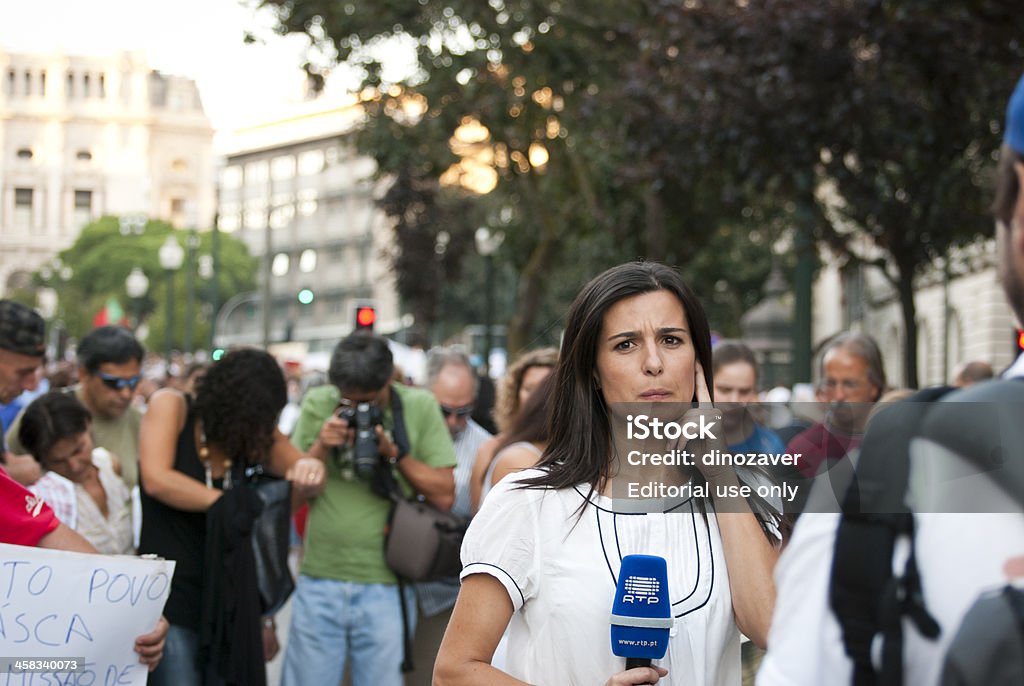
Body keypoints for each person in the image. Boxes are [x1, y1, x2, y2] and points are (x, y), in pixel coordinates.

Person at [756, 73, 1024, 686]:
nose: (838, 396)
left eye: (852, 384)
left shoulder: (873, 497)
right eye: (831, 383)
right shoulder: (825, 469)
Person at [434, 261, 782, 686]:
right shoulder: (527, 503)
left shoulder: (739, 501)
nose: (653, 362)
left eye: (671, 340)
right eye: (625, 345)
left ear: (696, 362)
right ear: (593, 371)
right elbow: (454, 672)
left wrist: (717, 467)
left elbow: (768, 626)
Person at [138, 348, 326, 686]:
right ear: (236, 408)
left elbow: (298, 469)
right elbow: (156, 479)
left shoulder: (250, 435)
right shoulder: (172, 406)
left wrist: (311, 465)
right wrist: (228, 504)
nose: (264, 430)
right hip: (172, 601)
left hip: (227, 602)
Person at [0, 298, 167, 670]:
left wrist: (134, 604)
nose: (31, 383)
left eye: (132, 382)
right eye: (23, 371)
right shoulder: (37, 471)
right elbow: (35, 521)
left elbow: (35, 523)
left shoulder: (136, 431)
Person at [282, 333, 456, 686]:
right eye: (348, 402)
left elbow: (444, 494)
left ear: (388, 380)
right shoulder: (318, 403)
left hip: (388, 585)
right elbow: (287, 501)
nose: (357, 409)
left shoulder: (418, 406)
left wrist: (393, 453)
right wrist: (319, 448)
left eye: (368, 402)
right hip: (320, 578)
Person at [407, 348, 493, 686]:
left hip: (443, 594)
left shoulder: (484, 447)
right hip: (386, 585)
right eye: (445, 411)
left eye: (464, 412)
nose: (455, 422)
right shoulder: (401, 433)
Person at [7, 325, 146, 489]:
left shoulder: (142, 423)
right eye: (114, 383)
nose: (126, 393)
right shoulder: (45, 414)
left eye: (133, 382)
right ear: (84, 374)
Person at [19, 391, 133, 554]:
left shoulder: (110, 465)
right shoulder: (42, 500)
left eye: (78, 450)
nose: (74, 466)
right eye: (58, 461)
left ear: (88, 425)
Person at [785, 332, 885, 479]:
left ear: (874, 386)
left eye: (849, 384)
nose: (839, 395)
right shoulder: (803, 451)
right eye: (831, 383)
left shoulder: (895, 443)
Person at [469, 347, 557, 512]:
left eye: (544, 390)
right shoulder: (492, 450)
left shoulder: (571, 450)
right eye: (529, 389)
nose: (536, 399)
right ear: (514, 394)